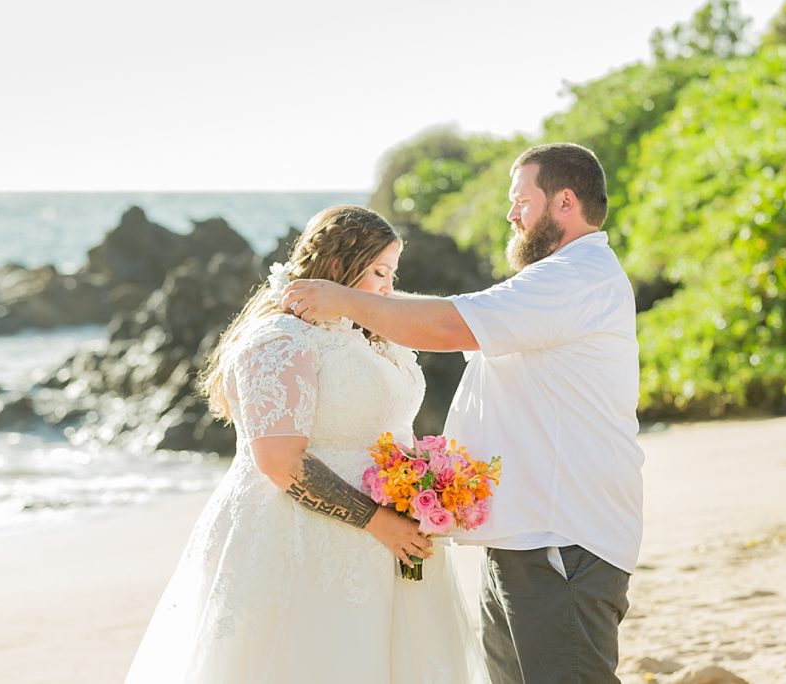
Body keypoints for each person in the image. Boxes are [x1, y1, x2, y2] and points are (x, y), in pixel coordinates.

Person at [283, 143, 644, 683]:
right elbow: (452, 313)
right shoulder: (555, 281)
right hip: (525, 535)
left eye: (521, 200)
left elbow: (449, 326)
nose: (511, 214)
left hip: (562, 538)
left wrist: (344, 300)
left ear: (565, 201)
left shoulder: (575, 277)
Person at [125, 205, 482, 683]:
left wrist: (423, 489)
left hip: (392, 539)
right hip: (305, 538)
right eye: (378, 272)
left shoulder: (370, 336)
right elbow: (278, 462)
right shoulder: (278, 341)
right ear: (336, 267)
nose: (386, 289)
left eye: (392, 274)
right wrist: (380, 523)